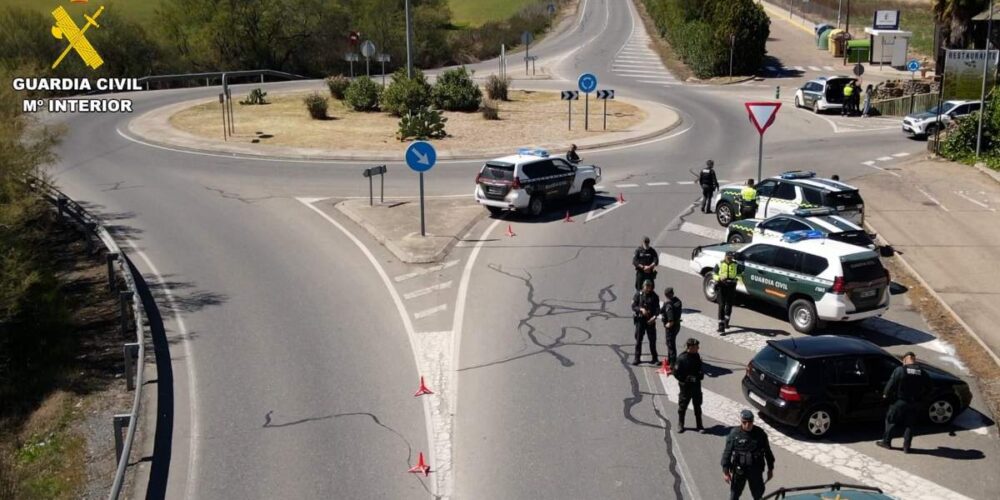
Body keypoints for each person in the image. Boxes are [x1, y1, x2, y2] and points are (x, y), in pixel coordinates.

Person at [876, 351, 931, 453]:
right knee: (910, 425)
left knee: (891, 420)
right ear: (914, 360)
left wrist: (885, 394)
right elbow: (929, 387)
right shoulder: (922, 372)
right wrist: (921, 398)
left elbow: (891, 383)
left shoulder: (900, 370)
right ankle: (906, 447)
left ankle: (886, 442)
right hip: (914, 402)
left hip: (900, 401)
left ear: (905, 360)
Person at [722, 409, 775, 500]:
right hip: (740, 471)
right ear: (741, 421)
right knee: (734, 494)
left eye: (750, 422)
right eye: (744, 422)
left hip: (755, 470)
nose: (747, 425)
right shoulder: (734, 434)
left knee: (758, 495)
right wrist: (726, 472)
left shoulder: (760, 434)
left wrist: (770, 469)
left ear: (753, 421)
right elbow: (727, 453)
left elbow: (767, 452)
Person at [674, 338, 704, 433]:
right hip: (686, 387)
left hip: (696, 386)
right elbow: (676, 373)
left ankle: (699, 425)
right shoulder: (681, 358)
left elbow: (699, 368)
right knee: (682, 407)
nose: (698, 348)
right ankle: (680, 424)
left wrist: (700, 374)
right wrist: (685, 379)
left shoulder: (697, 356)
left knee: (697, 406)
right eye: (696, 347)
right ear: (690, 347)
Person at [631, 279, 660, 366]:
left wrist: (654, 317)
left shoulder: (654, 296)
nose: (647, 288)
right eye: (646, 286)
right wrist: (641, 309)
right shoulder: (638, 295)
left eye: (649, 287)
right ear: (643, 286)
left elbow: (657, 309)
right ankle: (637, 358)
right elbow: (633, 306)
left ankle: (655, 358)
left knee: (652, 340)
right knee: (638, 340)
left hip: (650, 320)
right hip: (640, 320)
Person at [714, 251, 743, 333]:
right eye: (729, 257)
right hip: (722, 285)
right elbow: (714, 274)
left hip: (731, 286)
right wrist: (719, 278)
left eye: (731, 257)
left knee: (729, 305)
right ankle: (721, 326)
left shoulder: (736, 265)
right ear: (725, 256)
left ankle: (726, 322)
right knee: (721, 305)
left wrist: (736, 279)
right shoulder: (719, 263)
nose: (730, 258)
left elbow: (740, 275)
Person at [660, 287, 683, 366]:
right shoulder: (678, 301)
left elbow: (670, 318)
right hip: (677, 325)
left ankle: (672, 363)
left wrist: (668, 324)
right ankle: (670, 360)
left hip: (671, 327)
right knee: (671, 343)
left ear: (666, 295)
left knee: (670, 344)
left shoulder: (668, 304)